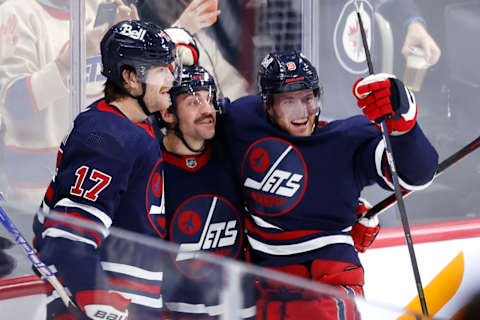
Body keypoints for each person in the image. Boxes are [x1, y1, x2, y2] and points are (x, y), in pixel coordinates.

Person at [220, 51, 438, 319]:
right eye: (289, 101)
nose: (302, 112)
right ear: (267, 104)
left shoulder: (345, 142)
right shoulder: (243, 121)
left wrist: (405, 126)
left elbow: (417, 174)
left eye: (308, 98)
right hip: (264, 285)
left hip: (329, 283)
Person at [32, 20, 176, 319]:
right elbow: (68, 240)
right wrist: (98, 299)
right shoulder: (108, 137)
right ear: (130, 78)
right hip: (109, 304)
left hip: (132, 299)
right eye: (161, 69)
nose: (171, 79)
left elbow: (46, 225)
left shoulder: (122, 124)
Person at [0, 0, 138, 209]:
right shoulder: (16, 13)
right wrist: (70, 60)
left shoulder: (96, 7)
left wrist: (130, 50)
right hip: (36, 192)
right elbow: (15, 104)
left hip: (98, 181)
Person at [155, 64, 255, 319]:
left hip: (241, 310)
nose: (208, 110)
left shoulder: (232, 151)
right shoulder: (150, 167)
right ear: (168, 113)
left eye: (210, 99)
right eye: (194, 102)